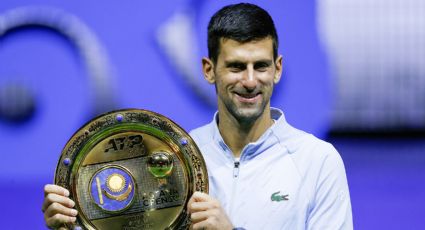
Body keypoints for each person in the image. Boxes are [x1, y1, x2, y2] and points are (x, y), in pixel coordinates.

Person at [42, 3, 352, 229]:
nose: (249, 80)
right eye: (235, 66)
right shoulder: (174, 158)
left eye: (260, 66)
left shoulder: (318, 160)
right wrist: (75, 222)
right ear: (208, 70)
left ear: (278, 69)